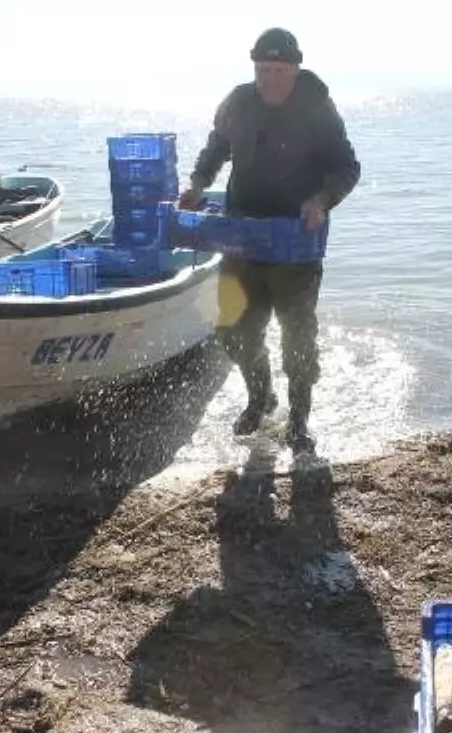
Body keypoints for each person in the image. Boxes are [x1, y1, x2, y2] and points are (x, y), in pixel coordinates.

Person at [177, 27, 360, 453]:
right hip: (242, 236)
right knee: (232, 330)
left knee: (297, 335)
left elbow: (346, 166)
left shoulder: (317, 106)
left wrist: (322, 200)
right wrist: (199, 183)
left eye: (279, 70)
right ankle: (260, 397)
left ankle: (298, 420)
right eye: (262, 69)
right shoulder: (239, 101)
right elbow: (217, 146)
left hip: (295, 242)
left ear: (295, 69)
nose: (270, 79)